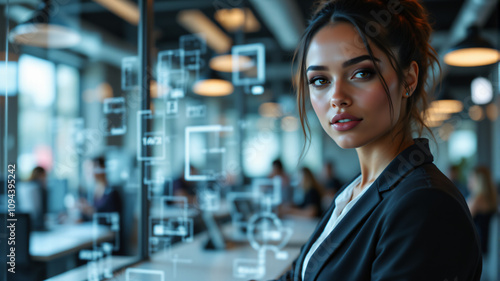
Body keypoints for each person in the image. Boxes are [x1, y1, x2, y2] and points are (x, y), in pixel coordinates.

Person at [278, 0, 482, 280]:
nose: (337, 97)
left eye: (362, 73)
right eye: (320, 80)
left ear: (409, 79)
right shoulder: (355, 191)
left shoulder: (424, 204)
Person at [467, 166, 498, 255]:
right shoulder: (492, 198)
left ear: (479, 181)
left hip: (476, 247)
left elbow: (462, 220)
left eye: (471, 177)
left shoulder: (477, 200)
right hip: (488, 246)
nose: (469, 179)